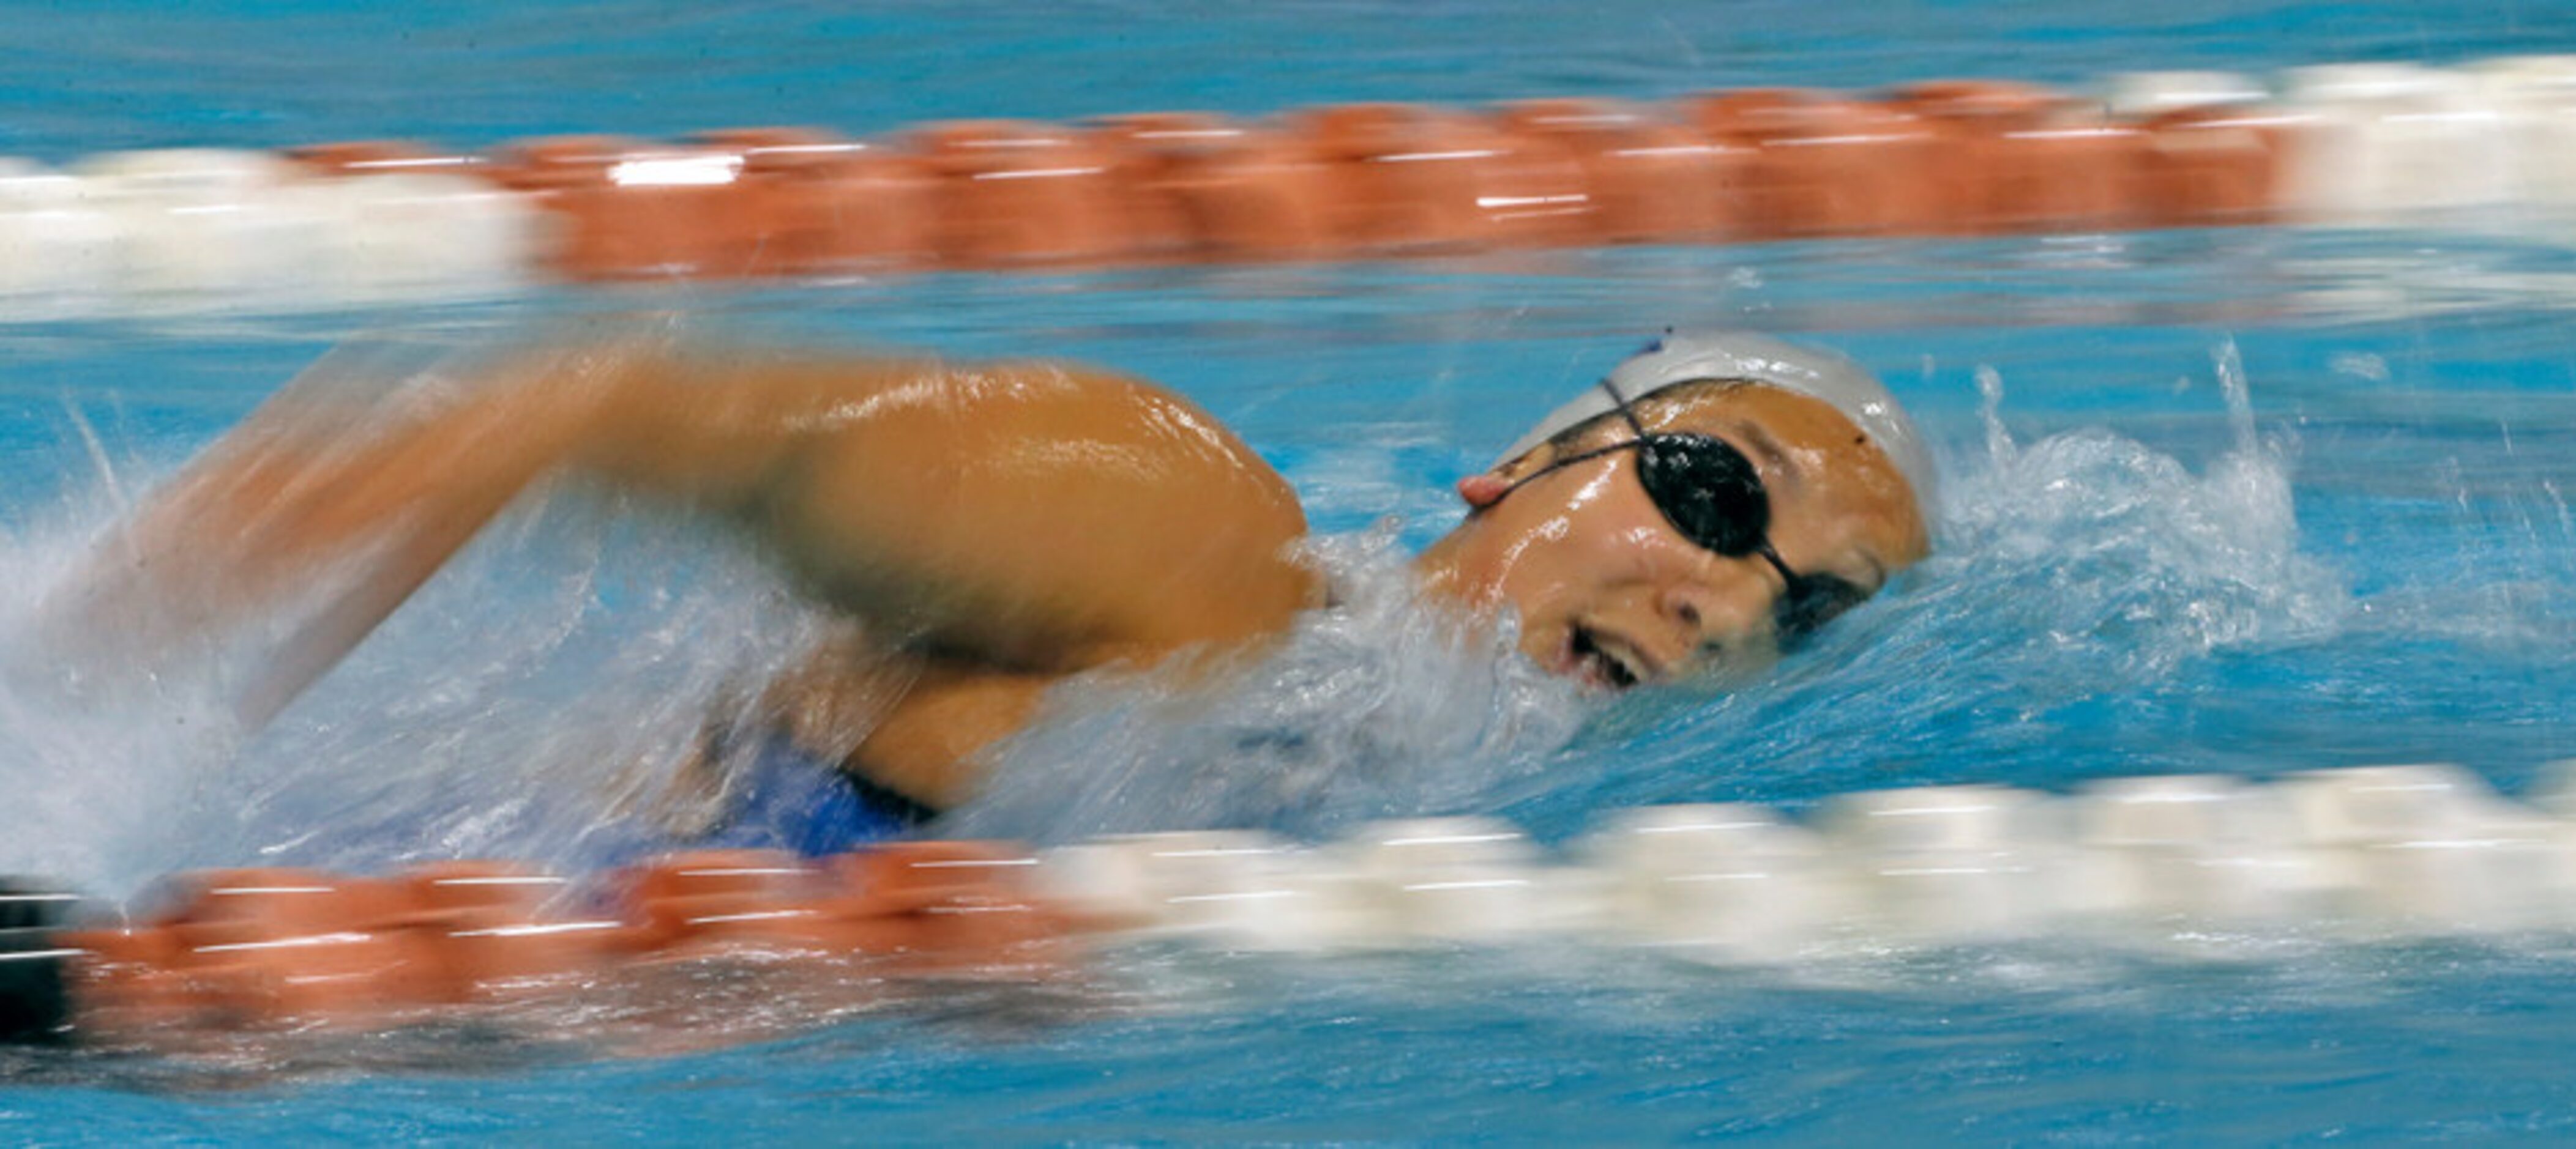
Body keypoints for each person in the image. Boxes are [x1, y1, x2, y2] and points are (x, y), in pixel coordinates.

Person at [65, 325, 1933, 836]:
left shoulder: (1419, 792)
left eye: (1812, 609)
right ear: (1518, 465)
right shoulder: (1204, 553)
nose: (1731, 603)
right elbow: (591, 403)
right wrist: (59, 730)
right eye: (1709, 493)